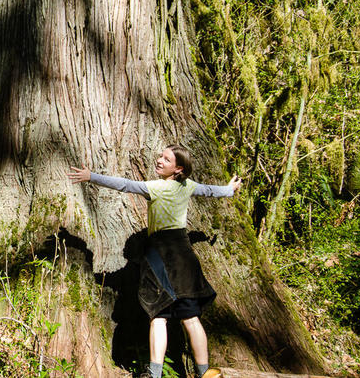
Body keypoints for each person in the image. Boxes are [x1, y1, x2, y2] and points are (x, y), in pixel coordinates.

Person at [67, 145, 241, 378]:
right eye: (161, 156)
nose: (159, 161)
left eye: (166, 159)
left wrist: (91, 177)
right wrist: (229, 190)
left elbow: (124, 184)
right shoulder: (187, 186)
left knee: (159, 315)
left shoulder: (156, 188)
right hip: (183, 253)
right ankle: (204, 373)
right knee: (189, 316)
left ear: (177, 168)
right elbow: (209, 191)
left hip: (160, 253)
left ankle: (156, 374)